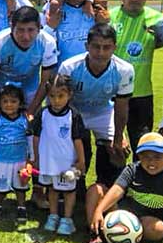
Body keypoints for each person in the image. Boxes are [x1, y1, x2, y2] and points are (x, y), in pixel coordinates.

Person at [58, 24, 135, 218]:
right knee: (75, 150)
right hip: (76, 112)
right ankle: (76, 188)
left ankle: (106, 188)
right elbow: (60, 100)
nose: (101, 52)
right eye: (96, 46)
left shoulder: (124, 69)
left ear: (114, 47)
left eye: (107, 47)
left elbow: (121, 105)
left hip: (103, 112)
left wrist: (119, 137)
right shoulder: (69, 67)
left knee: (118, 151)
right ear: (87, 46)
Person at [109, 0, 163, 146]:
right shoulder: (108, 19)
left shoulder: (159, 20)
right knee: (112, 146)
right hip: (112, 94)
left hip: (142, 94)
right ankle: (113, 175)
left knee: (142, 146)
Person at [30, 75, 86, 236]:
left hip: (66, 163)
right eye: (52, 96)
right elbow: (36, 137)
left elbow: (77, 139)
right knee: (52, 189)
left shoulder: (73, 116)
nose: (56, 101)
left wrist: (81, 160)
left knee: (68, 191)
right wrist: (36, 158)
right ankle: (53, 216)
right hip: (48, 160)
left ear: (69, 95)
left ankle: (67, 219)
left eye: (60, 96)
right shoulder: (43, 113)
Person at [0, 84, 31, 222]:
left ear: (20, 103)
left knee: (20, 186)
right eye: (5, 101)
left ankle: (22, 208)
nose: (9, 105)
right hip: (2, 160)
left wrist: (32, 157)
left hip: (20, 160)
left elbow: (29, 139)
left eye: (13, 101)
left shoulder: (24, 120)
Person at [44, 0, 102, 66]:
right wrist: (49, 27)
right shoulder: (55, 10)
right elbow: (41, 43)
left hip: (90, 75)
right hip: (62, 76)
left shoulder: (96, 11)